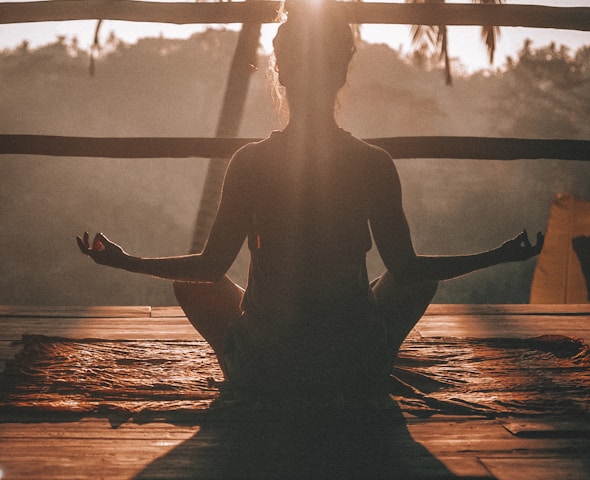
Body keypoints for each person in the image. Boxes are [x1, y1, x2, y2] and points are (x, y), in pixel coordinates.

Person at [77, 0, 543, 397]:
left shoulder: (251, 162)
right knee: (416, 280)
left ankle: (244, 371)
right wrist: (498, 255)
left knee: (191, 284)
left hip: (268, 369)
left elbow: (209, 268)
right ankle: (372, 362)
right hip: (352, 366)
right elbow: (408, 269)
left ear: (280, 73)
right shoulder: (373, 162)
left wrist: (126, 260)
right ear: (342, 73)